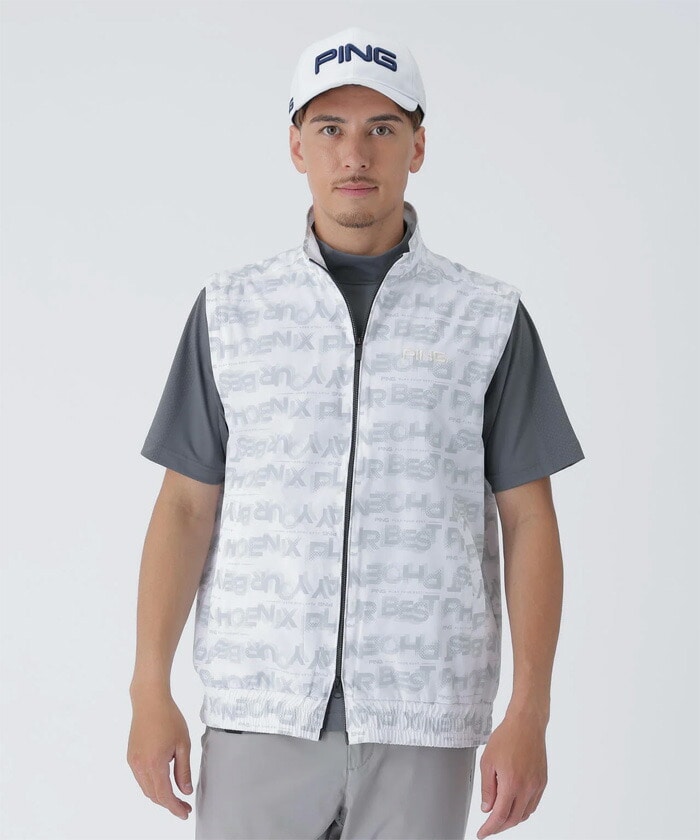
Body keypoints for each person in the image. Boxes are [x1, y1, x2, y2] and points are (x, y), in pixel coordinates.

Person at [127, 25, 585, 840]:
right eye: (330, 128)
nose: (355, 154)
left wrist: (531, 711)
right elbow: (185, 508)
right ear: (296, 146)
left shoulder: (487, 318)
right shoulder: (233, 312)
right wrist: (148, 689)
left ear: (418, 146)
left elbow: (529, 520)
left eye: (381, 128)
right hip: (259, 710)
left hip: (424, 719)